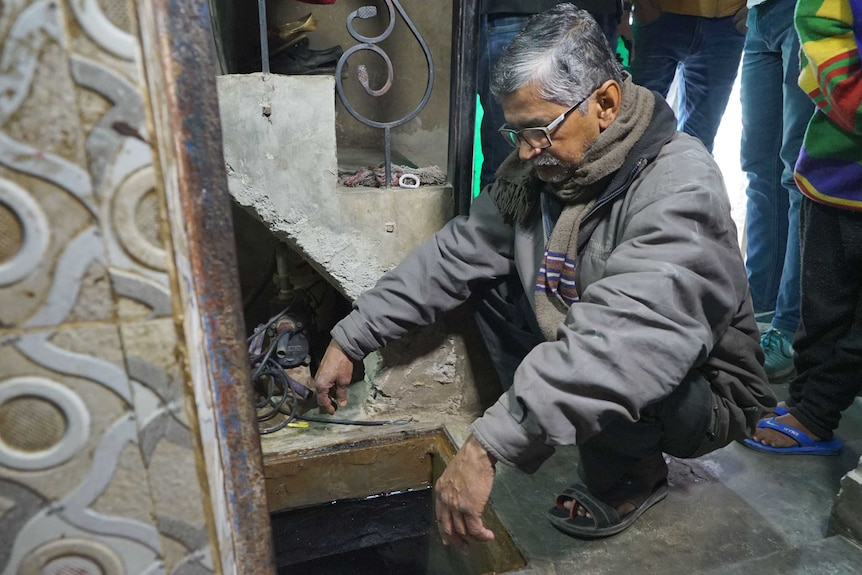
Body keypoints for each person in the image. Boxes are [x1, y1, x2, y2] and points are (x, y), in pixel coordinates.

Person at [314, 4, 774, 546]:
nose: (529, 152)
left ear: (604, 102)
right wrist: (353, 336)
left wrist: (490, 444)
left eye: (539, 131)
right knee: (485, 280)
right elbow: (456, 254)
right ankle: (565, 423)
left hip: (701, 390)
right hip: (607, 337)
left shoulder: (679, 183)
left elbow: (628, 341)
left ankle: (633, 472)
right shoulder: (542, 168)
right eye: (517, 134)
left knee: (613, 349)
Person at [744, 0, 862, 456]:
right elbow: (819, 24)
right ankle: (810, 402)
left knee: (849, 316)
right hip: (836, 163)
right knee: (825, 303)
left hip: (839, 155)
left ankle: (817, 408)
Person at [740, 0, 814, 381]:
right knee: (759, 168)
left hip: (807, 9)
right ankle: (760, 306)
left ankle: (789, 327)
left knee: (798, 175)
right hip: (760, 13)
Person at [478, 1, 624, 191]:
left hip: (594, 7)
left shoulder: (660, 190)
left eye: (542, 128)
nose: (522, 154)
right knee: (505, 181)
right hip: (513, 8)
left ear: (606, 104)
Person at [629, 0, 748, 153]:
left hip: (726, 22)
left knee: (699, 146)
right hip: (659, 17)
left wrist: (749, 8)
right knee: (636, 131)